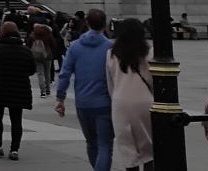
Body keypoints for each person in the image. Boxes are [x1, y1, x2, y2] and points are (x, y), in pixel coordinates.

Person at [55, 9, 114, 171]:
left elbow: (64, 74)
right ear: (105, 24)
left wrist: (60, 98)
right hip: (104, 102)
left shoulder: (74, 46)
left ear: (86, 23)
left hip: (83, 103)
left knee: (91, 143)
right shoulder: (110, 47)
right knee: (105, 145)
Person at [106, 18, 154, 171]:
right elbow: (152, 80)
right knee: (149, 147)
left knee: (127, 147)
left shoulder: (111, 54)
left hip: (120, 101)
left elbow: (110, 81)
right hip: (144, 100)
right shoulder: (148, 52)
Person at [0, 21, 36, 160]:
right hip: (19, 89)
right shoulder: (25, 50)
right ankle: (14, 150)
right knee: (16, 120)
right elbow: (32, 70)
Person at [29, 23, 58, 97]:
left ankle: (43, 91)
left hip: (37, 56)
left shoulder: (33, 35)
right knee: (47, 73)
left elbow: (28, 45)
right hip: (48, 56)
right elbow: (54, 45)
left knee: (40, 73)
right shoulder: (48, 35)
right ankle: (48, 89)